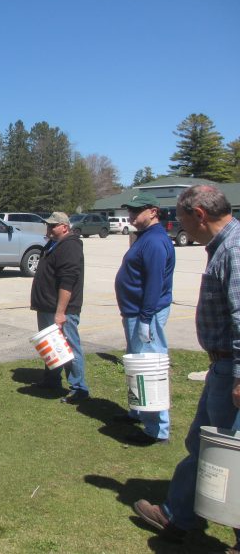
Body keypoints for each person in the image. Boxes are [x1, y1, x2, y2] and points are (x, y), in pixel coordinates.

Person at [133, 185, 240, 552]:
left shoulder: (235, 250)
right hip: (222, 367)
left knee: (228, 454)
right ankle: (180, 516)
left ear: (199, 214)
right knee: (202, 443)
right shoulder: (223, 247)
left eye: (178, 218)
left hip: (233, 370)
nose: (175, 225)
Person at [114, 192, 175, 445]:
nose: (131, 215)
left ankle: (156, 429)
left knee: (148, 369)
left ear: (153, 211)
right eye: (130, 210)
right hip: (135, 312)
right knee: (137, 367)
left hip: (144, 314)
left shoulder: (155, 241)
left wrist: (146, 318)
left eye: (137, 211)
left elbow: (154, 283)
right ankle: (139, 411)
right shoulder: (145, 237)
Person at [30, 211, 90, 404]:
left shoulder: (70, 246)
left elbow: (67, 282)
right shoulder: (54, 243)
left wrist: (60, 312)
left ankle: (79, 388)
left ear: (64, 226)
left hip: (62, 310)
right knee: (52, 347)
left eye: (53, 225)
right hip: (47, 306)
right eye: (48, 225)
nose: (49, 228)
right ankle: (52, 380)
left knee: (69, 347)